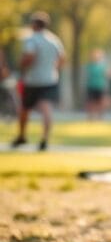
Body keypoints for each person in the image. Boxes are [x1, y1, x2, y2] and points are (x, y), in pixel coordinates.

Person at [11, 12, 65, 151]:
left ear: (34, 24)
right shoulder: (54, 40)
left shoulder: (31, 39)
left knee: (24, 109)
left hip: (32, 80)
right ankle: (45, 138)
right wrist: (53, 69)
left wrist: (21, 65)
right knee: (46, 109)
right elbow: (62, 58)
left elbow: (29, 56)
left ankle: (22, 136)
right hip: (50, 79)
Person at [84, 48, 110, 120]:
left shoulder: (103, 66)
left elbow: (107, 75)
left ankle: (100, 117)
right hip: (91, 86)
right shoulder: (90, 65)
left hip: (100, 86)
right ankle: (91, 117)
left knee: (101, 102)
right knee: (91, 102)